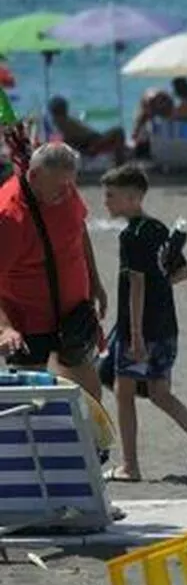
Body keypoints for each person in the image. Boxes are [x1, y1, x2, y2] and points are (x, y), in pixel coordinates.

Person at [99, 165, 187, 482]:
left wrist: (135, 335)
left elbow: (136, 284)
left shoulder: (132, 235)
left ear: (132, 197)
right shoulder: (160, 229)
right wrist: (160, 280)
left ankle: (130, 465)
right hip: (167, 325)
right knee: (159, 392)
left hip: (140, 329)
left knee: (124, 390)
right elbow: (181, 272)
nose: (106, 203)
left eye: (111, 196)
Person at [0, 142, 109, 402]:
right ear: (34, 176)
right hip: (27, 321)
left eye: (70, 184)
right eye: (60, 186)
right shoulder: (9, 215)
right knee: (29, 402)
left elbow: (79, 231)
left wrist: (95, 282)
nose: (66, 192)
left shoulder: (65, 191)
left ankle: (96, 444)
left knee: (90, 394)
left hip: (74, 314)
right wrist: (5, 328)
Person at [46, 96, 128, 166]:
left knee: (118, 137)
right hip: (90, 143)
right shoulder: (61, 121)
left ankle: (119, 162)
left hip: (90, 141)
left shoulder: (59, 121)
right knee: (119, 132)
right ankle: (120, 164)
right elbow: (68, 139)